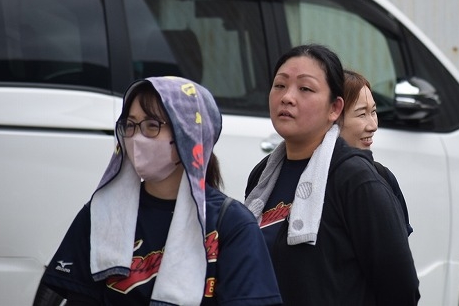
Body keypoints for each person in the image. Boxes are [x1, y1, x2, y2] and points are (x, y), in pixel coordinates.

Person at [39, 76, 282, 305]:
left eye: (152, 125)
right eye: (130, 125)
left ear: (188, 134)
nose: (137, 138)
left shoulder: (231, 224)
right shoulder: (102, 213)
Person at [244, 44, 420, 306]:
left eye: (305, 88)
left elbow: (400, 290)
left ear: (335, 108)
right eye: (280, 85)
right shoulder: (262, 177)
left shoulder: (357, 180)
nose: (287, 97)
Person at [339, 69, 413, 235]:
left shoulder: (383, 177)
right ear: (333, 116)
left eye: (373, 112)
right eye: (361, 114)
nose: (373, 126)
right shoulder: (303, 179)